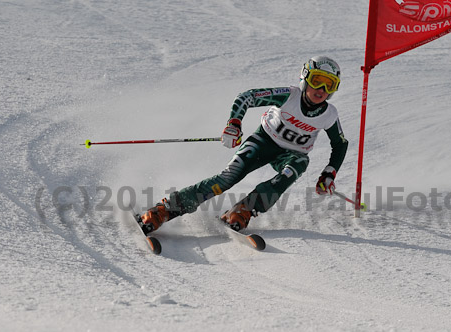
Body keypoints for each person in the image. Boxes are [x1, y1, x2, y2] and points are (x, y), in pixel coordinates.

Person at [140, 56, 348, 232]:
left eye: (329, 85)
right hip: (264, 142)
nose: (321, 89)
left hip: (293, 153)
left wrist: (329, 174)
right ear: (305, 78)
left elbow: (340, 144)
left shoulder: (329, 115)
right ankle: (165, 209)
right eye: (317, 80)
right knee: (226, 180)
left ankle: (243, 210)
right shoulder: (288, 96)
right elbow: (247, 97)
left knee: (294, 168)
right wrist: (234, 124)